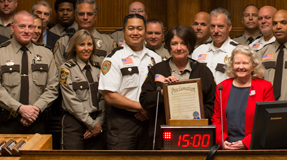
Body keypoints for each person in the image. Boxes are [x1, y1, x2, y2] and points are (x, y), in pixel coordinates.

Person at [140, 26, 216, 149]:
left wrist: (196, 116)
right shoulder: (157, 70)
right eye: (174, 43)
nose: (179, 48)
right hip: (163, 136)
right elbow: (144, 100)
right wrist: (164, 92)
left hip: (196, 136)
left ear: (190, 45)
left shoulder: (203, 71)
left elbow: (212, 103)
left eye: (183, 44)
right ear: (169, 46)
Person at [0, 11, 58, 134]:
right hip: (6, 124)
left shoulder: (47, 54)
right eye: (22, 26)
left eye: (30, 27)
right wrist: (19, 109)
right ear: (12, 28)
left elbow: (53, 87)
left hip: (38, 122)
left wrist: (35, 109)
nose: (27, 31)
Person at [99, 14, 162, 150]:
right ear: (123, 32)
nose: (135, 32)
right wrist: (141, 107)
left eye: (139, 28)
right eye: (131, 28)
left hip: (149, 121)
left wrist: (149, 111)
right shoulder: (113, 59)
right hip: (122, 123)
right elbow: (110, 96)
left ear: (145, 31)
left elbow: (162, 89)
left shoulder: (156, 58)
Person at [212, 45, 275, 149]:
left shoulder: (265, 87)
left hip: (253, 146)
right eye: (237, 63)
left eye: (245, 63)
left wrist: (247, 142)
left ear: (253, 66)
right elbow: (216, 118)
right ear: (232, 65)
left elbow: (268, 121)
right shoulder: (222, 87)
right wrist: (222, 140)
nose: (241, 67)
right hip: (227, 145)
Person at [59, 30, 105, 150]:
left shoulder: (98, 68)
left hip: (97, 122)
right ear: (74, 47)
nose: (86, 48)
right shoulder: (66, 69)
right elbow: (71, 101)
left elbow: (104, 98)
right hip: (74, 123)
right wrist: (91, 124)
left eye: (89, 44)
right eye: (81, 44)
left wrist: (98, 123)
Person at [54, 0, 115, 66]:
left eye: (89, 14)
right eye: (81, 14)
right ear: (76, 16)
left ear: (95, 17)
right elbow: (59, 71)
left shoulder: (108, 41)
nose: (85, 17)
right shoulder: (64, 41)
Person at [192, 8, 238, 84]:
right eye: (212, 26)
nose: (216, 31)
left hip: (227, 95)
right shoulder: (199, 51)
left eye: (220, 26)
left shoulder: (238, 51)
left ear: (229, 27)